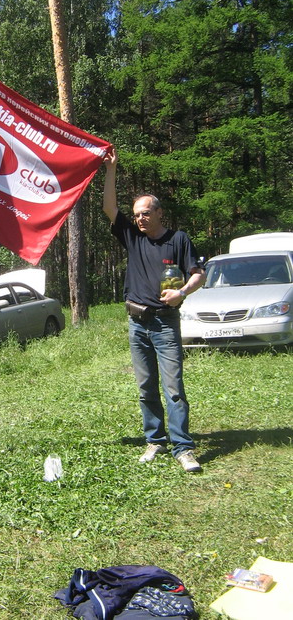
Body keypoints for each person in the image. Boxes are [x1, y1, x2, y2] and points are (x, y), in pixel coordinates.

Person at [103, 147, 206, 472]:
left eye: (146, 213)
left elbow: (198, 274)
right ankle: (155, 440)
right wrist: (111, 169)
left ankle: (183, 448)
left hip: (164, 323)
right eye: (137, 214)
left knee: (173, 389)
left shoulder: (178, 240)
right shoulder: (133, 237)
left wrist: (182, 293)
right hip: (137, 324)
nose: (140, 219)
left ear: (160, 213)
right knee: (146, 387)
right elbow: (109, 207)